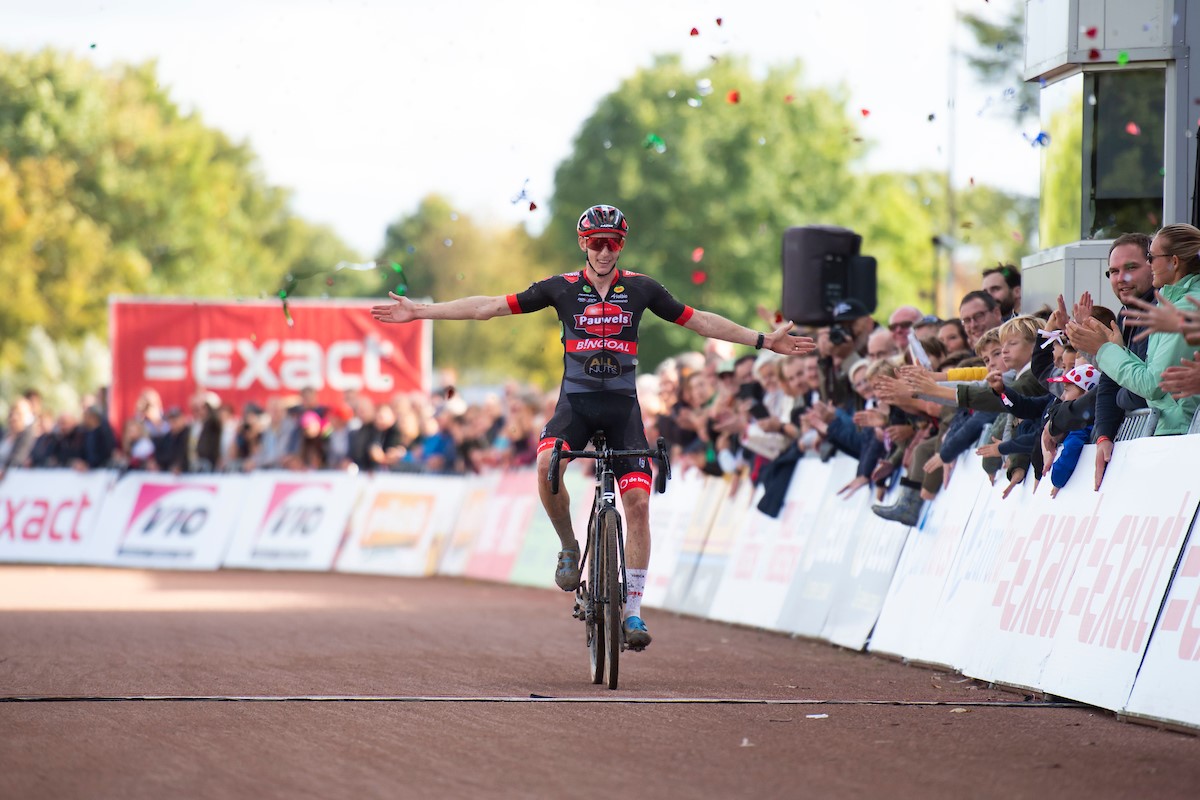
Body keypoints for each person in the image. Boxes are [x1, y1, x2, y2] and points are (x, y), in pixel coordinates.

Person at [371, 204, 815, 650]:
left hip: (623, 409)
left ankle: (634, 613)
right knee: (547, 464)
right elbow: (486, 307)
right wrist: (421, 312)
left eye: (613, 243)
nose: (604, 251)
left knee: (638, 502)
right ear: (584, 244)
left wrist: (763, 341)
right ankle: (569, 545)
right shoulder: (559, 288)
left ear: (622, 245)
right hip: (576, 407)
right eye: (596, 243)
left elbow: (699, 322)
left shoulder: (642, 289)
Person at [1068, 223, 1200, 436]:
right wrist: (1118, 351)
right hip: (1175, 432)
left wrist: (1104, 350)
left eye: (1151, 258)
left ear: (1173, 262)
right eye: (1113, 271)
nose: (1149, 264)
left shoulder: (1185, 307)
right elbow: (1150, 378)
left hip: (1180, 435)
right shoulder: (1169, 303)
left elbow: (1150, 386)